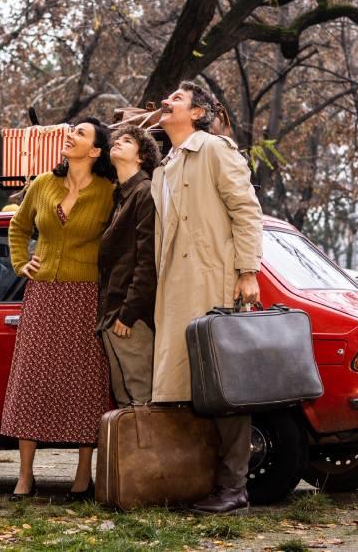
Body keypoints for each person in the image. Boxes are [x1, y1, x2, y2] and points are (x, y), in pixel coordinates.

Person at [151, 80, 263, 515]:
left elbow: (246, 209)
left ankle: (234, 488)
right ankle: (199, 482)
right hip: (175, 289)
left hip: (213, 284)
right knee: (189, 389)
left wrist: (248, 271)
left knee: (223, 386)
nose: (166, 101)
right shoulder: (165, 166)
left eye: (177, 99)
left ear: (197, 113)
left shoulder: (215, 149)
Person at [2, 116, 116, 501]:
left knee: (85, 383)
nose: (70, 135)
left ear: (95, 150)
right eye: (71, 131)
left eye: (80, 133)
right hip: (42, 294)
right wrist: (22, 263)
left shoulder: (108, 191)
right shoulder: (42, 184)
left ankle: (83, 476)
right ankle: (24, 476)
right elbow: (18, 227)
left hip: (86, 296)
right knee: (31, 380)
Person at [96, 125, 162, 406]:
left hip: (130, 317)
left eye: (127, 141)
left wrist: (128, 313)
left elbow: (148, 262)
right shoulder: (121, 196)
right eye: (116, 139)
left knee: (141, 400)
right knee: (125, 401)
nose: (117, 143)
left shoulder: (145, 192)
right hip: (113, 313)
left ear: (141, 156)